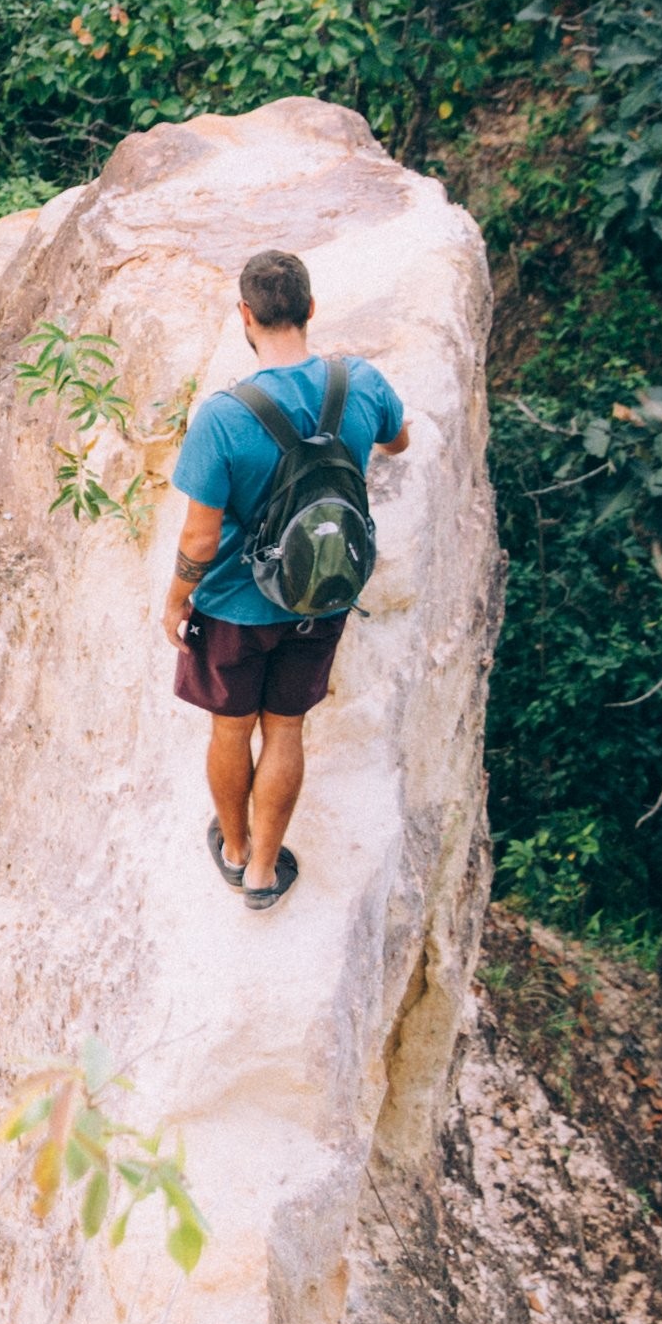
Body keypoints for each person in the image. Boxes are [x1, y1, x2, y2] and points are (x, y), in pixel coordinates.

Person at [161, 248, 408, 913]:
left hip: (237, 609)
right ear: (311, 308)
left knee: (233, 730)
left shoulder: (224, 417)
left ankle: (236, 852)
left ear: (245, 315)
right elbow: (399, 439)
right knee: (287, 730)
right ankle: (267, 872)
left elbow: (200, 537)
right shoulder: (357, 382)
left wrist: (177, 599)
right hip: (319, 595)